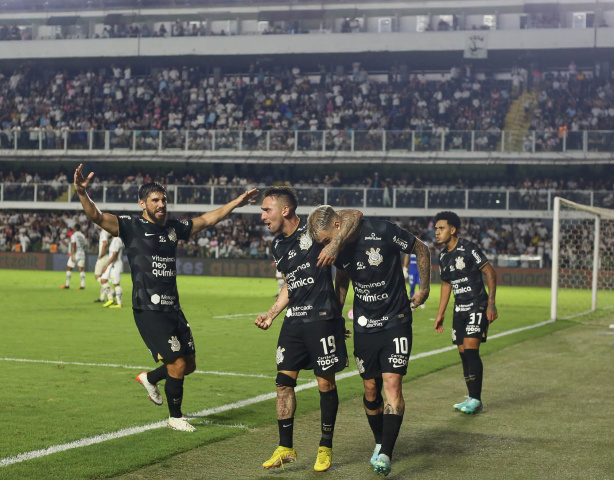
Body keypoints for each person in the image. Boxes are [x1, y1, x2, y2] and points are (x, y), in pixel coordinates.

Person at [73, 163, 258, 432]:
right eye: (155, 200)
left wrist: (237, 202)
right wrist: (81, 193)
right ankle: (175, 417)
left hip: (174, 308)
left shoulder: (173, 228)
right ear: (142, 204)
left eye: (164, 200)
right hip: (148, 308)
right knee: (178, 363)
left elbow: (208, 219)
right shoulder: (130, 226)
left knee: (189, 364)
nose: (162, 204)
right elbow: (98, 217)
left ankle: (149, 378)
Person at [307, 205, 431, 477]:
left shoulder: (383, 231)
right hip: (364, 325)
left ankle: (386, 452)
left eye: (327, 240)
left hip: (396, 320)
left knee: (392, 383)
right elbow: (342, 281)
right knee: (371, 390)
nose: (326, 246)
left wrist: (424, 289)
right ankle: (379, 441)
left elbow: (422, 248)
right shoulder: (339, 252)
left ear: (337, 228)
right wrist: (337, 318)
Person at [255, 186, 362, 472]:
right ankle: (285, 447)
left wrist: (336, 243)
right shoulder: (278, 246)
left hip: (322, 319)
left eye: (267, 209)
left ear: (285, 210)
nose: (263, 215)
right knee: (282, 383)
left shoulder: (315, 227)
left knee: (325, 384)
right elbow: (291, 284)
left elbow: (353, 215)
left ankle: (325, 447)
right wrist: (272, 313)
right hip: (294, 321)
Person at [433, 211, 498, 415]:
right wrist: (440, 313)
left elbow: (490, 272)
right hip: (459, 308)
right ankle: (471, 397)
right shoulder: (443, 255)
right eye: (435, 229)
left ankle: (477, 399)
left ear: (453, 230)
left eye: (441, 228)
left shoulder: (468, 248)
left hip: (476, 304)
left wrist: (491, 304)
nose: (436, 232)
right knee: (463, 354)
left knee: (471, 350)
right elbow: (446, 285)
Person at [101, 235, 125, 308]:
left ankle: (119, 303)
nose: (107, 232)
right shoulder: (113, 240)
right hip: (112, 264)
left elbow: (115, 254)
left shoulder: (117, 240)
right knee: (103, 280)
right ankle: (111, 298)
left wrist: (106, 265)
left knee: (116, 283)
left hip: (116, 264)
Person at [61, 224, 88, 290]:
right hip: (82, 253)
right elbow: (85, 245)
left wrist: (72, 254)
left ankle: (67, 285)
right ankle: (82, 285)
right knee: (81, 269)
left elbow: (74, 245)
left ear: (75, 228)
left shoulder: (74, 235)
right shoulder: (82, 235)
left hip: (75, 254)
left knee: (69, 268)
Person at [94, 225, 110, 302]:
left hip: (103, 257)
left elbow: (105, 243)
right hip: (107, 256)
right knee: (103, 277)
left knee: (97, 276)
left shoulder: (103, 232)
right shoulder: (107, 231)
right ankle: (102, 297)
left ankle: (110, 291)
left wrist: (101, 254)